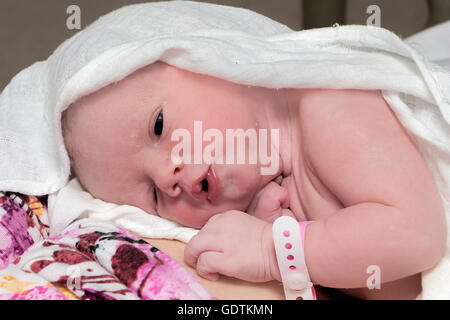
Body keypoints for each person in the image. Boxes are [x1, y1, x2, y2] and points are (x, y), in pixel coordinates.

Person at [61, 60, 447, 299]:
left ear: (209, 64)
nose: (166, 176)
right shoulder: (271, 202)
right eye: (153, 197)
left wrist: (272, 250)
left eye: (158, 126)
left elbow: (416, 236)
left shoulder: (331, 101)